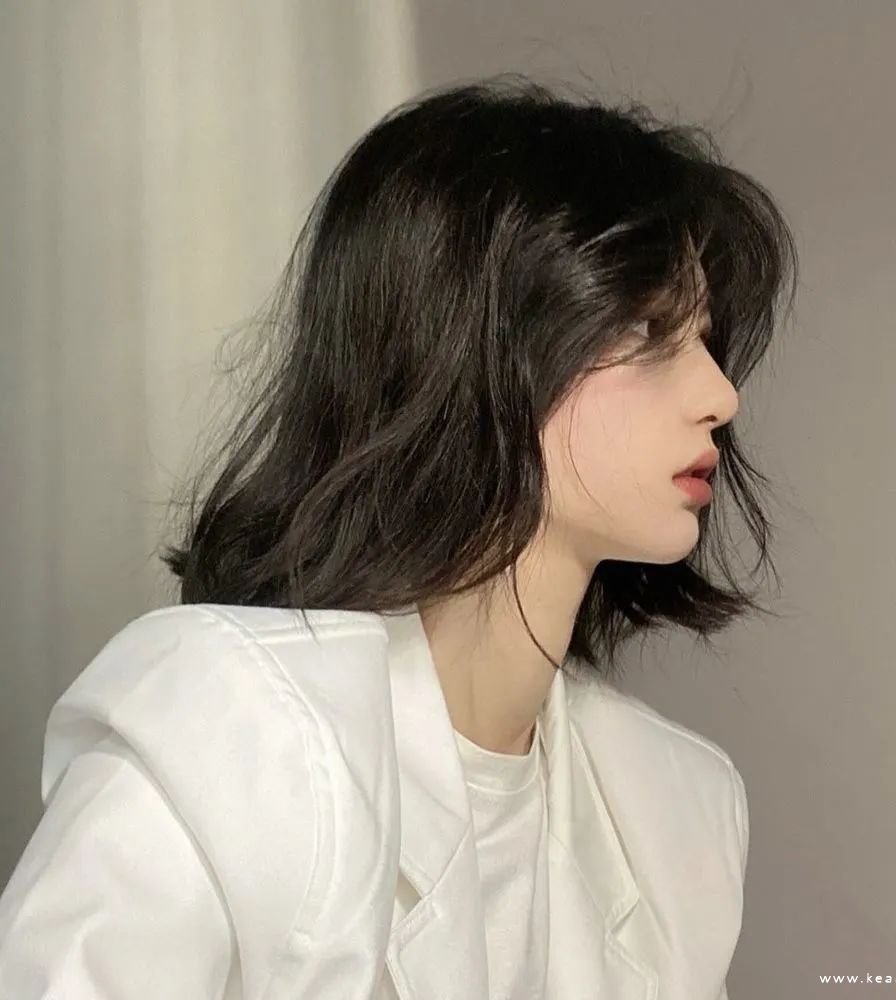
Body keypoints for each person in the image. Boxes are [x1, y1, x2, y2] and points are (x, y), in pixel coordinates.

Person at [0, 72, 798, 998]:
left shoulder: (675, 808)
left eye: (705, 338)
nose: (721, 395)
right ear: (473, 341)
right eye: (652, 329)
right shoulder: (232, 732)